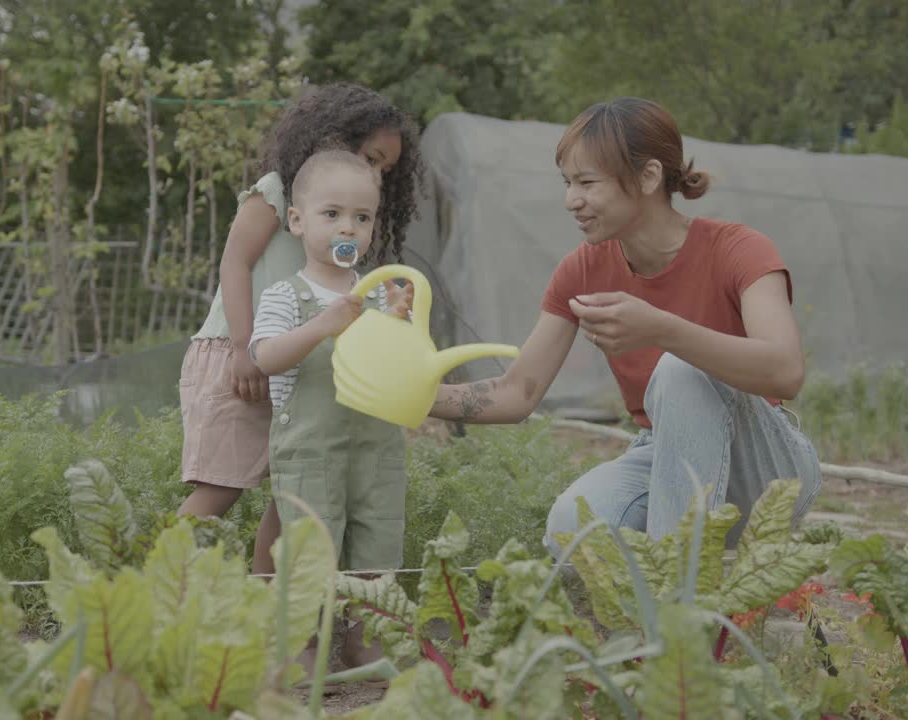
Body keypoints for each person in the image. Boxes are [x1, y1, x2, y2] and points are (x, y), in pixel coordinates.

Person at [428, 97, 822, 554]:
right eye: (567, 183)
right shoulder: (582, 270)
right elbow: (517, 393)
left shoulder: (739, 249)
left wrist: (662, 329)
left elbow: (786, 370)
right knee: (574, 531)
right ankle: (664, 602)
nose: (571, 200)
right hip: (665, 453)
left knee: (679, 369)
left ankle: (677, 605)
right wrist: (411, 397)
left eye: (587, 183)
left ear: (649, 176)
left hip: (766, 465)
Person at [176, 82, 422, 576]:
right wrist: (244, 349)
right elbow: (235, 263)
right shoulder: (278, 190)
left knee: (292, 492)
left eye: (384, 171)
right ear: (331, 135)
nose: (374, 174)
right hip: (239, 349)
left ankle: (272, 599)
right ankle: (147, 585)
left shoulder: (346, 224)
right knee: (222, 486)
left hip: (300, 366)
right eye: (370, 157)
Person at [249, 149, 413, 669]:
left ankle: (366, 640)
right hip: (311, 451)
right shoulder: (284, 295)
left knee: (377, 542)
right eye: (332, 214)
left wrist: (400, 322)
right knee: (310, 550)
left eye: (362, 218)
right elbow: (266, 358)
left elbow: (403, 366)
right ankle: (302, 645)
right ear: (296, 221)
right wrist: (324, 323)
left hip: (377, 449)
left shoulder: (379, 296)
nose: (349, 227)